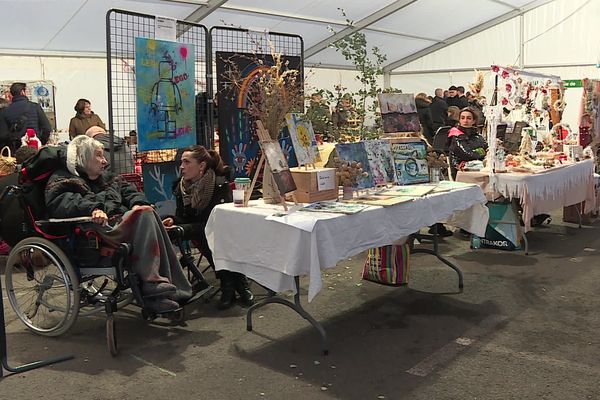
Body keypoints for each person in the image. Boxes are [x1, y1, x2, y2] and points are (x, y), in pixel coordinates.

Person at [44, 135, 191, 313]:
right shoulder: (62, 180)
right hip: (94, 232)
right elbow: (62, 205)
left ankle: (158, 291)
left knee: (146, 211)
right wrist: (94, 209)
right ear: (84, 156)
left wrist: (137, 202)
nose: (104, 161)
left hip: (115, 226)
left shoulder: (108, 177)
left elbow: (130, 191)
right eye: (98, 156)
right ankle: (156, 284)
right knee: (145, 214)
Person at [163, 145, 254, 310]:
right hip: (201, 232)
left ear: (202, 166)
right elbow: (183, 217)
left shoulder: (218, 184)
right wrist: (172, 219)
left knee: (216, 236)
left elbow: (222, 218)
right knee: (204, 235)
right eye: (181, 162)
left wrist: (186, 226)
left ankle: (235, 284)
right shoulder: (181, 188)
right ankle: (235, 285)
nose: (181, 167)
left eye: (186, 162)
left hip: (222, 230)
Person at [0, 82, 52, 152]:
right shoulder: (35, 107)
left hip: (16, 150)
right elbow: (47, 128)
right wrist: (41, 141)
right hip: (34, 148)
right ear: (22, 92)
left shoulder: (5, 111)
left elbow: (3, 135)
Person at [448, 107, 488, 180]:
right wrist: (481, 151)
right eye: (462, 118)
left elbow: (488, 150)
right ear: (459, 120)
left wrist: (481, 152)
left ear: (474, 121)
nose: (465, 121)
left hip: (479, 171)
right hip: (461, 173)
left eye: (469, 118)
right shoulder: (456, 136)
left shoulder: (478, 136)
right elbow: (468, 155)